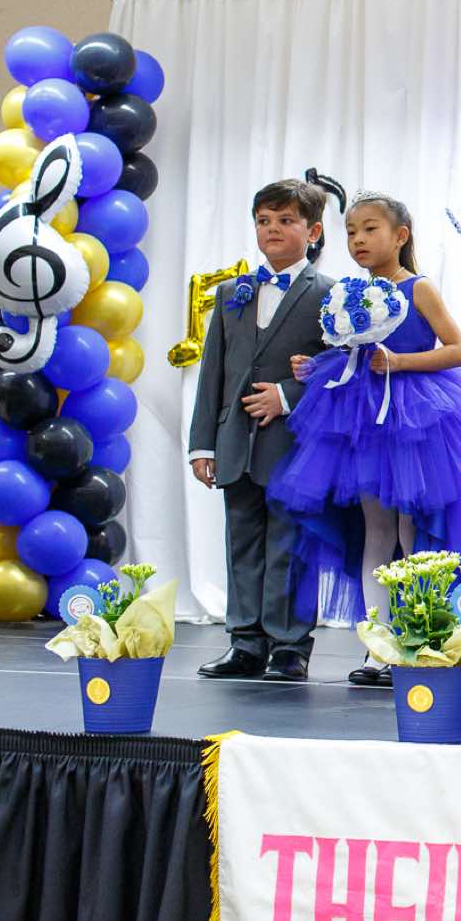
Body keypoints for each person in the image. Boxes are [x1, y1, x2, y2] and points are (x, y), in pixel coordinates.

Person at [269, 193, 461, 685]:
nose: (358, 240)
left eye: (370, 229)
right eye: (351, 232)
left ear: (400, 236)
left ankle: (415, 637)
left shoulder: (419, 288)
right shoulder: (351, 292)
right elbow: (353, 355)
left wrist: (400, 362)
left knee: (412, 532)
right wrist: (317, 366)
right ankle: (378, 646)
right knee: (377, 531)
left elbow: (457, 350)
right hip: (366, 419)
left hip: (416, 419)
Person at [186, 179, 336, 682]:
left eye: (286, 220)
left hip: (295, 443)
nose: (272, 229)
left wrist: (288, 395)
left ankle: (290, 645)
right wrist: (203, 444)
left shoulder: (331, 294)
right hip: (236, 441)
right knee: (242, 541)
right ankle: (245, 641)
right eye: (264, 220)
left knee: (292, 544)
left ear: (313, 231)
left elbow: (340, 370)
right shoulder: (233, 293)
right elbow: (214, 372)